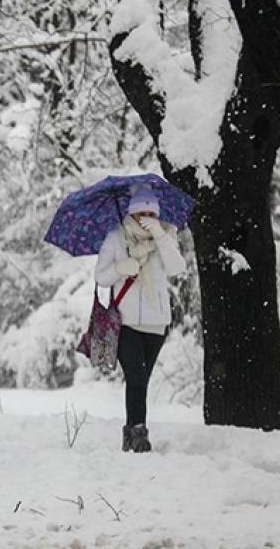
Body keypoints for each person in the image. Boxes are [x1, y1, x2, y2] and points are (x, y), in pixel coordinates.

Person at [94, 185, 187, 452]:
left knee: (142, 380)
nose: (147, 217)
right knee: (135, 377)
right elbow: (100, 276)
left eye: (151, 213)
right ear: (132, 214)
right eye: (141, 213)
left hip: (157, 322)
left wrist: (159, 235)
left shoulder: (166, 236)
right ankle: (138, 434)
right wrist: (121, 268)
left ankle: (129, 432)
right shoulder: (116, 238)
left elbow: (177, 267)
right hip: (126, 322)